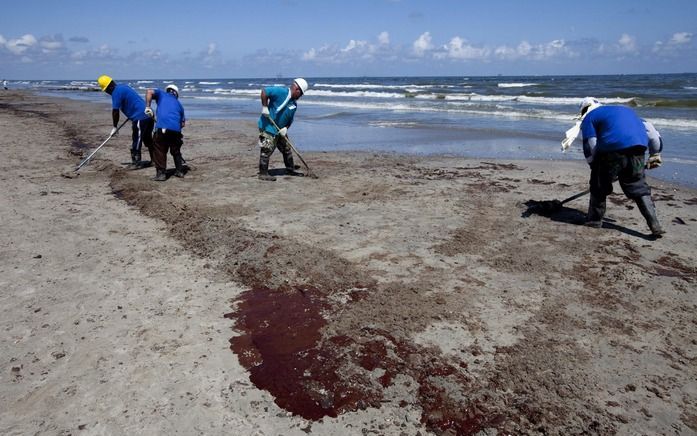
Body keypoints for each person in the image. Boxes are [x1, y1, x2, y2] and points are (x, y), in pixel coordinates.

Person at [579, 97, 665, 237]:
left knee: (599, 185)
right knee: (638, 186)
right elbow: (652, 133)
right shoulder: (626, 112)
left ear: (584, 110)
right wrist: (655, 154)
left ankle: (594, 221)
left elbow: (591, 144)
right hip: (638, 150)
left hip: (611, 151)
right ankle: (654, 224)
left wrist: (594, 166)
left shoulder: (589, 117)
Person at [256, 78, 308, 181]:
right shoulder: (281, 92)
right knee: (266, 149)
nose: (300, 96)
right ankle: (263, 173)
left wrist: (285, 128)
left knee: (287, 149)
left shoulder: (294, 105)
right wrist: (265, 107)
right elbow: (265, 91)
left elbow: (289, 120)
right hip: (268, 126)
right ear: (297, 89)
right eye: (301, 94)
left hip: (280, 131)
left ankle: (290, 169)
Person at [97, 75, 154, 168]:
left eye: (106, 90)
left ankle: (136, 162)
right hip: (148, 114)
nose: (107, 92)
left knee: (137, 139)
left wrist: (115, 127)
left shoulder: (116, 92)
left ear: (109, 87)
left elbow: (115, 111)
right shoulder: (123, 87)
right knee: (147, 139)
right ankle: (154, 160)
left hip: (140, 116)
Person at [145, 84, 186, 181]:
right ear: (176, 94)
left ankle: (161, 174)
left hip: (162, 128)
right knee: (176, 150)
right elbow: (183, 123)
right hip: (176, 130)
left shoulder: (162, 94)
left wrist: (148, 107)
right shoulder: (179, 105)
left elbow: (149, 91)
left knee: (159, 149)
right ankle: (179, 171)